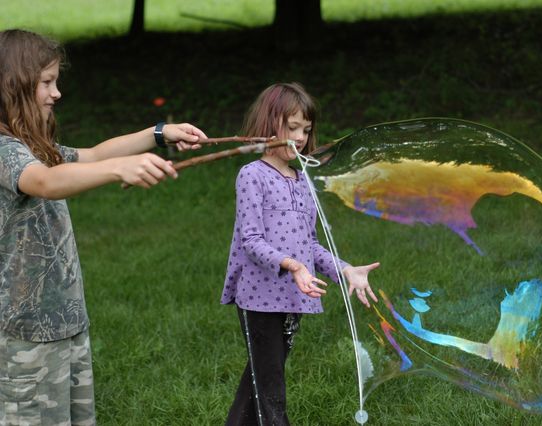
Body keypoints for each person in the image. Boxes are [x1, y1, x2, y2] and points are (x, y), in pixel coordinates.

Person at [0, 29, 206, 425]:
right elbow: (43, 182)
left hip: (65, 321)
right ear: (14, 85)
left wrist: (159, 134)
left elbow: (93, 154)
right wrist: (117, 171)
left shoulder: (37, 147)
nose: (56, 92)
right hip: (23, 333)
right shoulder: (6, 150)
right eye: (46, 82)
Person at [221, 82, 379, 425]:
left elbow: (310, 244)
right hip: (260, 298)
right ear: (269, 125)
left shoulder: (301, 180)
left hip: (294, 295)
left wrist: (345, 270)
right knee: (270, 386)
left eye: (306, 130)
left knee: (260, 379)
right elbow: (250, 240)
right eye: (292, 128)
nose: (301, 137)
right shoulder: (252, 176)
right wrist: (292, 266)